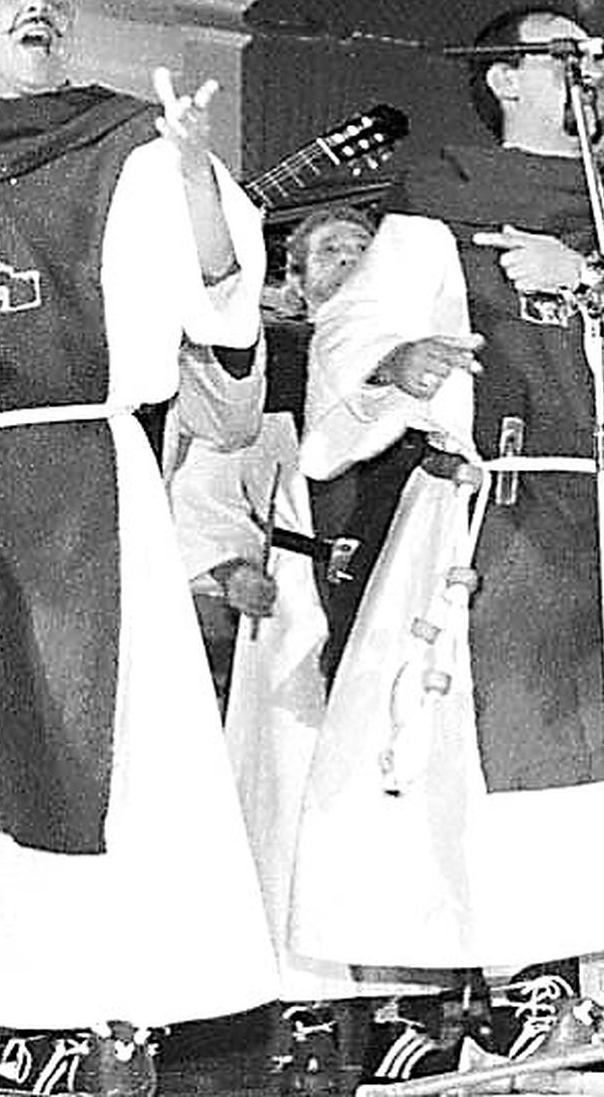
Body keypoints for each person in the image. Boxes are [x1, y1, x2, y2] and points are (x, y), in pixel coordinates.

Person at [287, 9, 604, 1060]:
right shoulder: (441, 201)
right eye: (560, 52)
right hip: (493, 507)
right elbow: (352, 326)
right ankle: (533, 981)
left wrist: (587, 278)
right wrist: (395, 361)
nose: (585, 64)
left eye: (591, 53)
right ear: (503, 78)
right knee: (504, 749)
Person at [0, 0, 275, 1089]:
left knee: (108, 755)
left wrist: (194, 180)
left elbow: (222, 303)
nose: (37, 5)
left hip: (85, 489)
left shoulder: (130, 140)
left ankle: (106, 1013)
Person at [170, 203, 433, 1087]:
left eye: (366, 248)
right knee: (290, 808)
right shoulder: (273, 368)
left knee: (393, 795)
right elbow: (206, 488)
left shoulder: (424, 366)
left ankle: (402, 1008)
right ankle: (306, 1010)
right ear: (290, 279)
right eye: (331, 250)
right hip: (296, 612)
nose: (353, 259)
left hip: (404, 606)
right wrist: (229, 568)